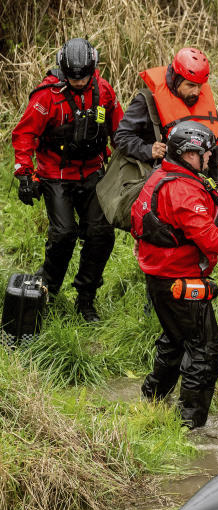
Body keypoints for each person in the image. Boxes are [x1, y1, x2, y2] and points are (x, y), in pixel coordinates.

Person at [131, 121, 218, 429]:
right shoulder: (182, 190)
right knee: (205, 351)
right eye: (205, 152)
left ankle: (152, 399)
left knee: (175, 340)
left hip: (162, 278)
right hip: (178, 281)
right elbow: (211, 239)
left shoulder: (163, 175)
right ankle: (191, 425)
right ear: (187, 154)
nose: (211, 157)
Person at [11, 37, 123, 321]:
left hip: (93, 172)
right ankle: (46, 288)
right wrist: (24, 172)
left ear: (92, 68)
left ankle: (86, 298)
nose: (78, 82)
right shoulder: (47, 96)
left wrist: (137, 154)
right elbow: (25, 134)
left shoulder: (104, 89)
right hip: (56, 174)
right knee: (63, 235)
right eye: (73, 77)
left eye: (83, 77)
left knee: (101, 234)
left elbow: (119, 129)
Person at [114, 47, 218, 187]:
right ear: (176, 79)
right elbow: (122, 137)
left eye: (200, 86)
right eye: (191, 85)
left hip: (197, 185)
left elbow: (217, 150)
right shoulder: (147, 101)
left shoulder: (204, 104)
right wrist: (148, 150)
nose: (196, 92)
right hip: (159, 183)